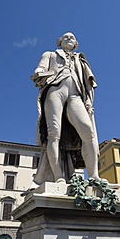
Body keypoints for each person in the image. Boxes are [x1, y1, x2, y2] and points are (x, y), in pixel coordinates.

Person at [31, 32, 101, 187]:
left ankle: (94, 176)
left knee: (88, 131)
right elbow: (40, 69)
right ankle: (58, 176)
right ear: (59, 42)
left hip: (76, 95)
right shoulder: (49, 54)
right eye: (65, 37)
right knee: (53, 133)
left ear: (76, 43)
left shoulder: (80, 60)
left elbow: (88, 83)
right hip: (55, 90)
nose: (69, 39)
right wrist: (39, 73)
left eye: (72, 37)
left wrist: (89, 101)